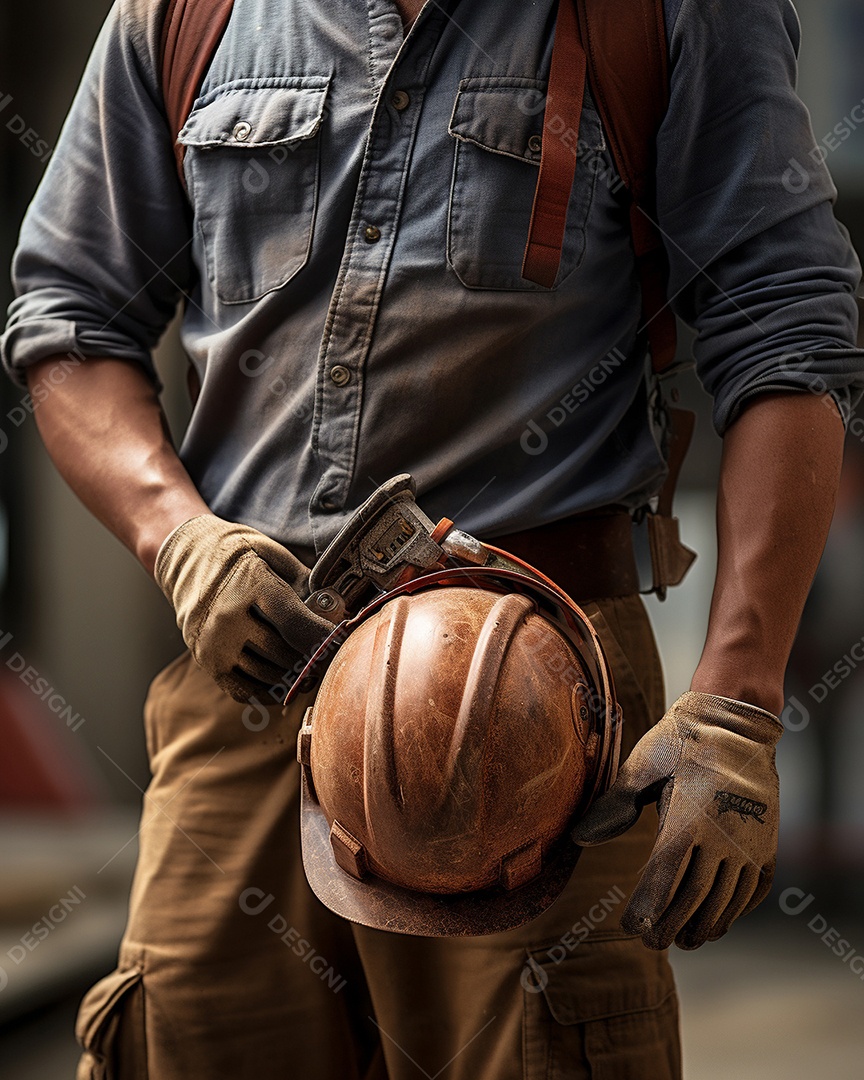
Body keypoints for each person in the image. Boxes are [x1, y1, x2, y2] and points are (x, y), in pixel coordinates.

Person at [3, 0, 863, 1077]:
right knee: (189, 1039)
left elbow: (786, 331)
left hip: (547, 716)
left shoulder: (668, 15)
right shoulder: (186, 14)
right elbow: (70, 311)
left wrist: (736, 703)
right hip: (253, 677)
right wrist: (178, 539)